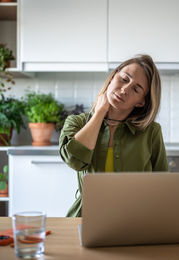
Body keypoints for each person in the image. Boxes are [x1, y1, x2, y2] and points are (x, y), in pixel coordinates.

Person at [59, 54, 168, 217]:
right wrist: (100, 112)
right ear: (112, 77)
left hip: (135, 219)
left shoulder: (151, 132)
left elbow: (162, 186)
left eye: (136, 89)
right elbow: (74, 161)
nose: (125, 89)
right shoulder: (76, 122)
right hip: (87, 216)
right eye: (124, 79)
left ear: (140, 102)